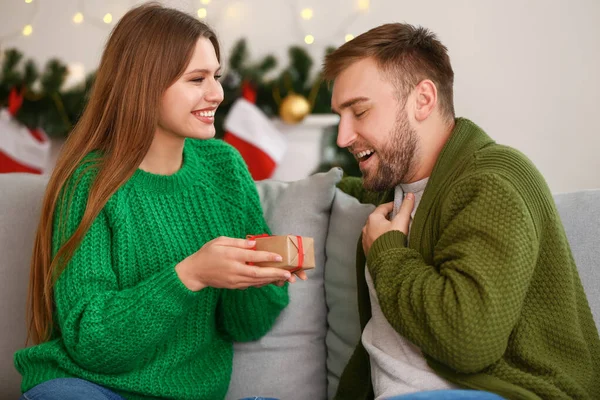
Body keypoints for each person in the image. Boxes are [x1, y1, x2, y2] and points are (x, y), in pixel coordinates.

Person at [14, 4, 306, 400]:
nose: (217, 93)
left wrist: (258, 278)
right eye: (197, 78)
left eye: (216, 76)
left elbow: (246, 326)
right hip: (88, 386)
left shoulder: (224, 168)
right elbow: (92, 343)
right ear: (144, 85)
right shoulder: (89, 182)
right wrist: (189, 275)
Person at [323, 23, 600, 400]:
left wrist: (387, 254)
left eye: (359, 111)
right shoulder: (395, 188)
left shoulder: (494, 182)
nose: (342, 136)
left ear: (422, 100)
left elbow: (469, 339)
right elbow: (341, 187)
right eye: (341, 116)